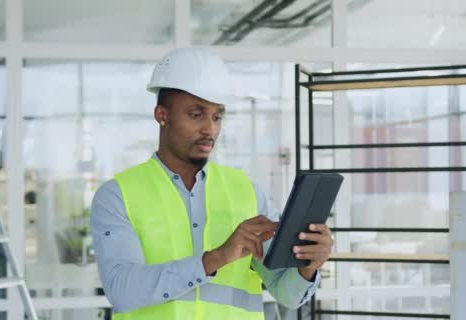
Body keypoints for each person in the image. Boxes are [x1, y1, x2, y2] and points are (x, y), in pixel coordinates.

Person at [91, 47, 334, 320]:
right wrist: (215, 258)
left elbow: (287, 294)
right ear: (162, 115)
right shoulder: (117, 196)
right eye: (196, 115)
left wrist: (308, 266)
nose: (209, 129)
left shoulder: (248, 193)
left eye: (217, 116)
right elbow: (122, 290)